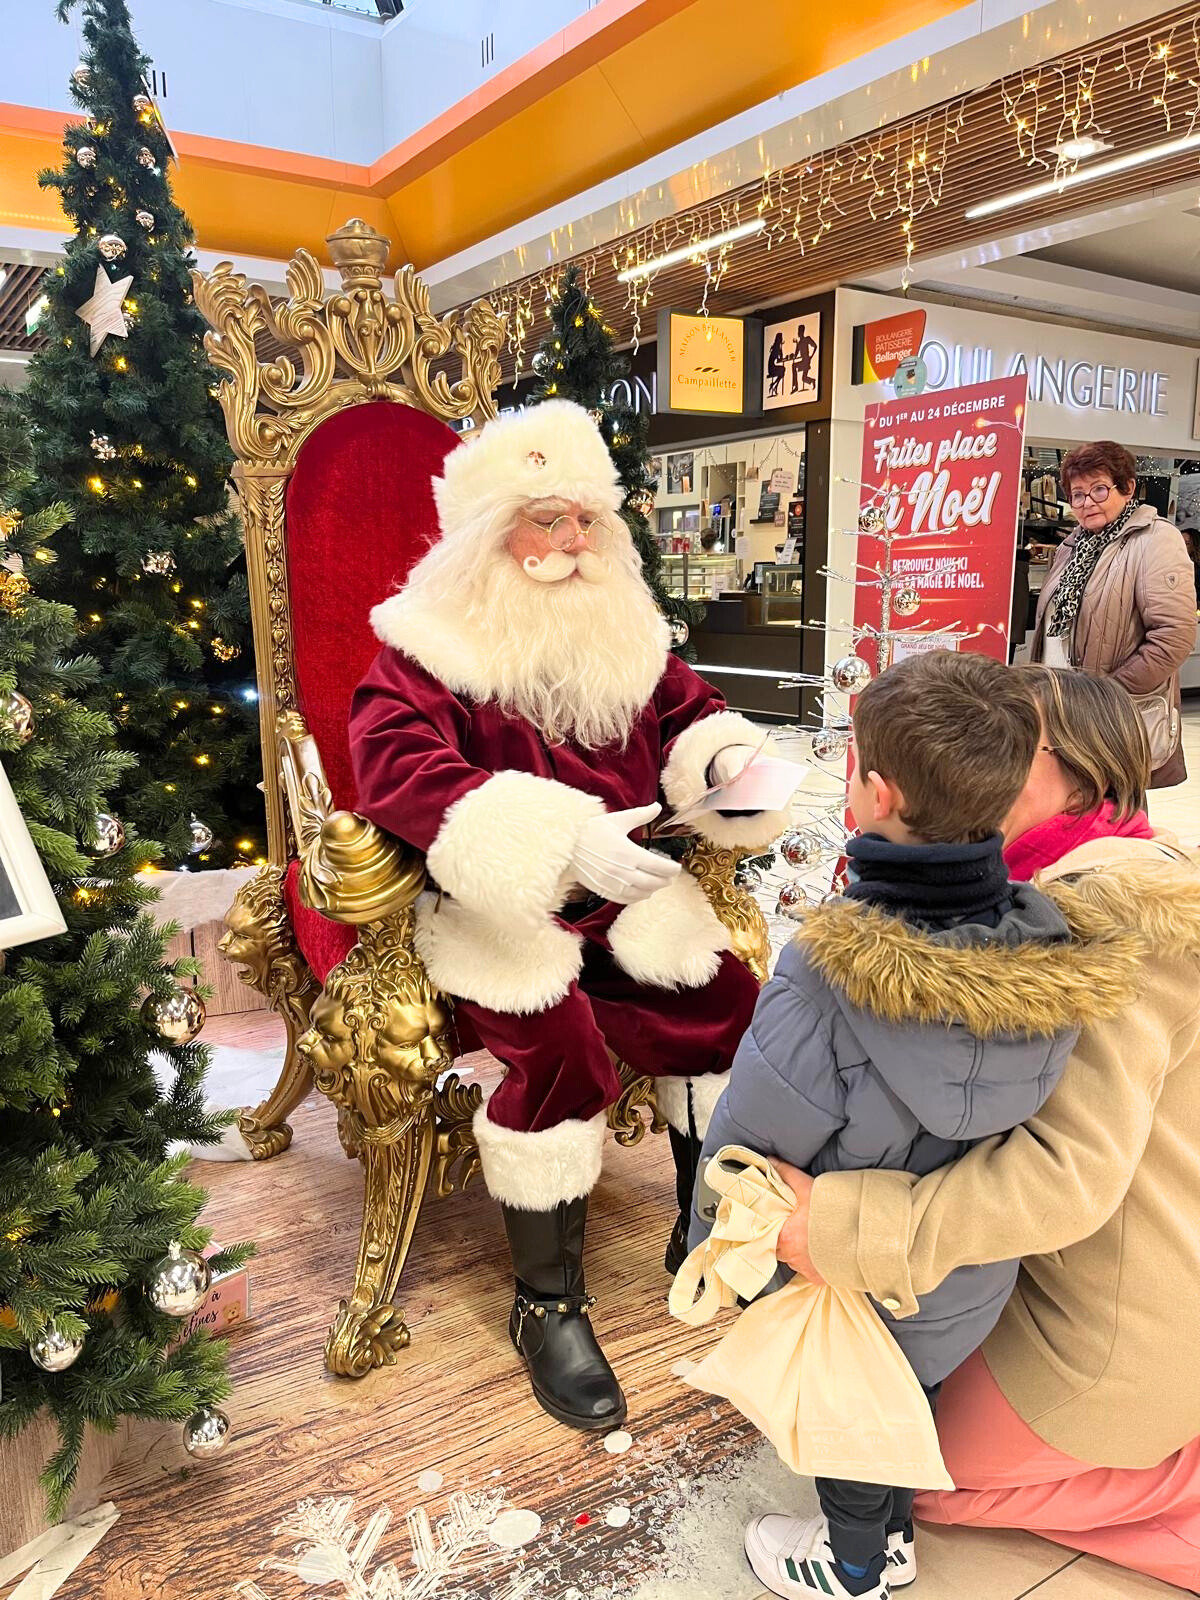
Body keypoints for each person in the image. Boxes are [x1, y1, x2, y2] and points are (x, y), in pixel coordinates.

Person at [348, 400, 795, 1434]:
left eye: (583, 521)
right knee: (560, 1054)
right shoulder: (428, 645)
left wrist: (730, 768)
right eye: (540, 523)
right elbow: (396, 769)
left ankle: (706, 1226)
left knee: (731, 1007)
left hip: (631, 899)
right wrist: (555, 840)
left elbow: (693, 715)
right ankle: (546, 1303)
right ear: (484, 536)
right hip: (502, 910)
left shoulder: (623, 630)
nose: (566, 546)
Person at [690, 651, 1130, 1600]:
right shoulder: (1050, 949)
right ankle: (889, 1535)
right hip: (963, 1280)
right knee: (908, 1396)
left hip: (846, 1279)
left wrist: (707, 1247)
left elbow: (754, 1142)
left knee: (852, 1426)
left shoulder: (825, 978)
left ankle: (856, 1564)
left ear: (874, 794)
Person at [771, 666, 1200, 1593]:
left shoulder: (1097, 916)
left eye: (1012, 742)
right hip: (1117, 1291)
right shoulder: (1077, 878)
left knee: (904, 1469)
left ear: (1080, 779)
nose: (980, 758)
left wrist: (842, 1229)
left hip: (1110, 1344)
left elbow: (1064, 1177)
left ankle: (1173, 1492)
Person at [1028, 440, 1195, 787]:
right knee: (1067, 807)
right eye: (1077, 494)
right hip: (1060, 705)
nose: (1087, 502)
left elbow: (1173, 637)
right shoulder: (1071, 546)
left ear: (1127, 487)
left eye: (1099, 490)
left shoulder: (1155, 539)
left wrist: (1108, 695)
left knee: (1113, 811)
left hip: (1111, 714)